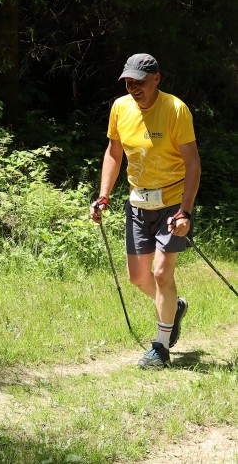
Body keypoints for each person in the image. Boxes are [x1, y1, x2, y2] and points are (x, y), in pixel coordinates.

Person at [90, 53, 201, 368]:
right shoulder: (120, 108)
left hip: (173, 202)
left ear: (156, 79)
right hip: (138, 202)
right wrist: (103, 195)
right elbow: (114, 152)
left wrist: (186, 211)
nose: (133, 87)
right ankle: (172, 308)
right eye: (128, 81)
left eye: (139, 82)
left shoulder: (175, 110)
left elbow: (192, 162)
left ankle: (161, 347)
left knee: (162, 272)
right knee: (139, 277)